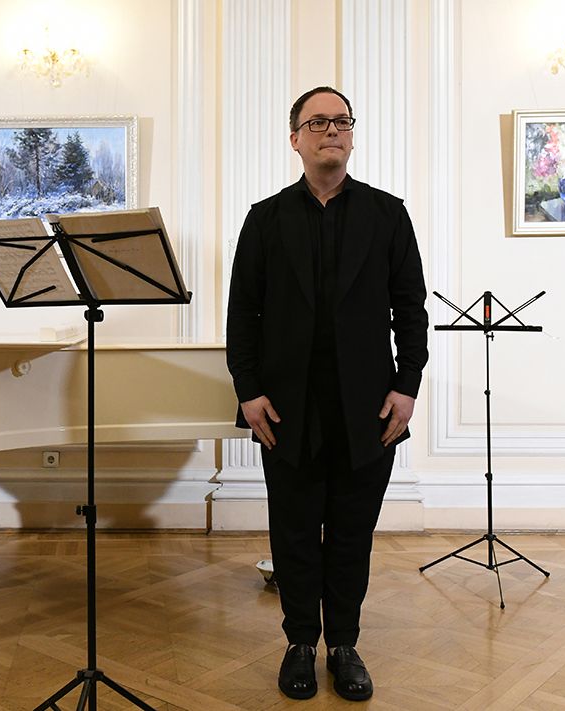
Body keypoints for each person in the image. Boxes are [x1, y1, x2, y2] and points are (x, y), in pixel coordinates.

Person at [226, 86, 428, 702]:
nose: (331, 130)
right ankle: (297, 644)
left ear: (352, 136)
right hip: (286, 407)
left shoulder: (388, 214)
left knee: (350, 534)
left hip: (368, 407)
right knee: (291, 532)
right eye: (317, 122)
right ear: (295, 139)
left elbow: (411, 310)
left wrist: (407, 387)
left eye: (341, 121)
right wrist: (248, 391)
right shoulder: (264, 219)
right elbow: (243, 313)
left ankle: (343, 644)